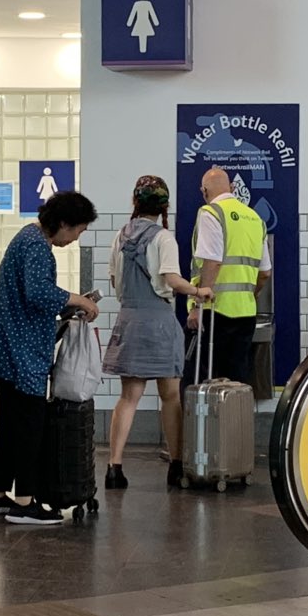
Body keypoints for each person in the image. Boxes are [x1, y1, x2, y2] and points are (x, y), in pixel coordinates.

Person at [0, 191, 100, 525]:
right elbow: (38, 291)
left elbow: (31, 294)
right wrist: (79, 300)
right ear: (63, 223)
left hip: (4, 344)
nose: (76, 238)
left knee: (10, 424)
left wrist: (68, 305)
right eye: (78, 230)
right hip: (18, 349)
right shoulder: (38, 246)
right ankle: (25, 502)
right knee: (30, 424)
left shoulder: (28, 237)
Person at [102, 176, 213, 490]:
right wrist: (199, 291)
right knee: (170, 397)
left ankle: (114, 467)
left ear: (135, 202)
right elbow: (172, 279)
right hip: (159, 322)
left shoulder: (120, 236)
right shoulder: (164, 238)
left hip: (129, 320)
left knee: (128, 398)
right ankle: (176, 466)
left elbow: (115, 281)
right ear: (164, 206)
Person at [188, 167, 272, 386]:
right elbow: (265, 273)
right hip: (246, 313)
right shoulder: (255, 219)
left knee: (208, 381)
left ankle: (211, 413)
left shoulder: (211, 213)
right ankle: (238, 411)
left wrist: (197, 306)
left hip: (215, 312)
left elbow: (212, 262)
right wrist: (250, 295)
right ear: (232, 188)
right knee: (237, 381)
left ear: (204, 191)